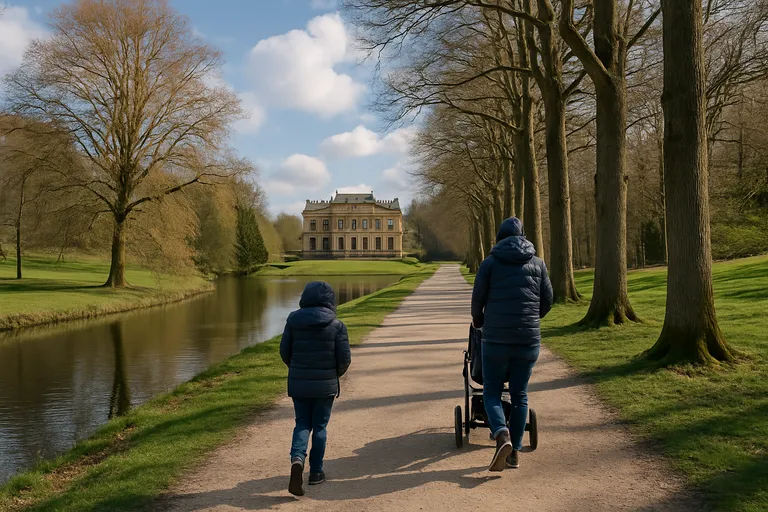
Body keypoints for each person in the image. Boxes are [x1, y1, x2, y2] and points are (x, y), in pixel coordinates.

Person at [471, 217, 553, 472]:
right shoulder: (538, 264)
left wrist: (479, 321)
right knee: (519, 394)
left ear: (499, 238)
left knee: (492, 391)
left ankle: (501, 435)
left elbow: (477, 302)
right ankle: (514, 452)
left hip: (495, 339)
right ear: (524, 237)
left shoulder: (490, 263)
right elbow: (548, 300)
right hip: (528, 340)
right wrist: (530, 319)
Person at [280, 281, 351, 496]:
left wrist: (296, 369)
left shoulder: (293, 319)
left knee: (302, 422)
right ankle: (316, 472)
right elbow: (344, 359)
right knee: (320, 427)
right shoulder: (337, 325)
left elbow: (285, 351)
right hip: (325, 385)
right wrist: (333, 374)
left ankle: (297, 460)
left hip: (299, 383)